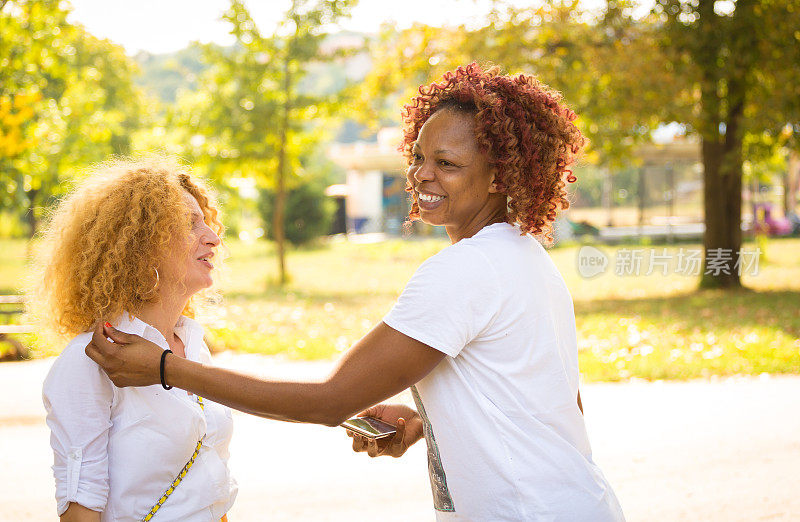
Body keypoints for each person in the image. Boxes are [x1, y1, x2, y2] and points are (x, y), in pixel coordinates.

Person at [86, 64, 626, 521]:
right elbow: (550, 403)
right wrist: (423, 424)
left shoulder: (467, 269)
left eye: (448, 164)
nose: (421, 176)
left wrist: (165, 369)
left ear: (499, 178)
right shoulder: (525, 255)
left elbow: (329, 402)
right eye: (420, 156)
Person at [34, 157, 236, 522]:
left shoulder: (192, 345)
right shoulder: (91, 357)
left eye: (206, 222)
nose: (213, 237)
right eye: (190, 225)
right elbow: (81, 508)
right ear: (141, 245)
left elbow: (206, 486)